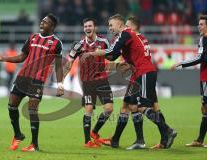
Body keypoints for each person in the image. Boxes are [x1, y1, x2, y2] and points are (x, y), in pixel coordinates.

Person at [85, 14, 177, 149]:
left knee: (142, 107)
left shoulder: (126, 33)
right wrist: (111, 59)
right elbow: (113, 55)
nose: (109, 28)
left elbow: (112, 51)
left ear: (121, 25)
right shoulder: (134, 37)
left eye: (111, 25)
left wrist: (94, 53)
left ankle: (166, 130)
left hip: (143, 73)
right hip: (138, 74)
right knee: (127, 106)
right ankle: (118, 140)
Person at [0, 13, 64, 152]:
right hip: (22, 77)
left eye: (45, 22)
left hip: (37, 80)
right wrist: (3, 58)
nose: (42, 23)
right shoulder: (32, 38)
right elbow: (22, 57)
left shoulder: (56, 43)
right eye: (42, 21)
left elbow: (58, 66)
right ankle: (18, 134)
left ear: (52, 26)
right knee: (11, 106)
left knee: (32, 111)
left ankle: (34, 144)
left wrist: (60, 84)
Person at [63, 18, 114, 148]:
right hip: (87, 82)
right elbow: (69, 63)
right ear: (83, 28)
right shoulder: (78, 45)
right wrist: (61, 81)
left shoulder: (103, 42)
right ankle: (87, 142)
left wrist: (114, 63)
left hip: (102, 80)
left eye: (90, 25)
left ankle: (95, 131)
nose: (87, 28)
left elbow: (111, 56)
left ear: (94, 27)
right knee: (89, 109)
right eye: (85, 26)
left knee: (109, 109)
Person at [171, 15, 207, 148]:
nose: (199, 26)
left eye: (202, 24)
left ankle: (199, 140)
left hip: (206, 78)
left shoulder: (204, 39)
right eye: (198, 24)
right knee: (204, 108)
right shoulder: (203, 39)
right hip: (204, 77)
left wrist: (181, 63)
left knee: (205, 108)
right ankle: (199, 140)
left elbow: (199, 58)